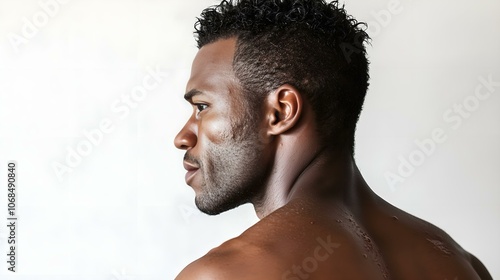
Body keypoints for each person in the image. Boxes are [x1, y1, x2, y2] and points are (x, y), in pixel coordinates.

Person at [173, 0, 493, 279]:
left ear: (282, 111)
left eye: (202, 107)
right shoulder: (465, 266)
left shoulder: (223, 275)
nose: (182, 137)